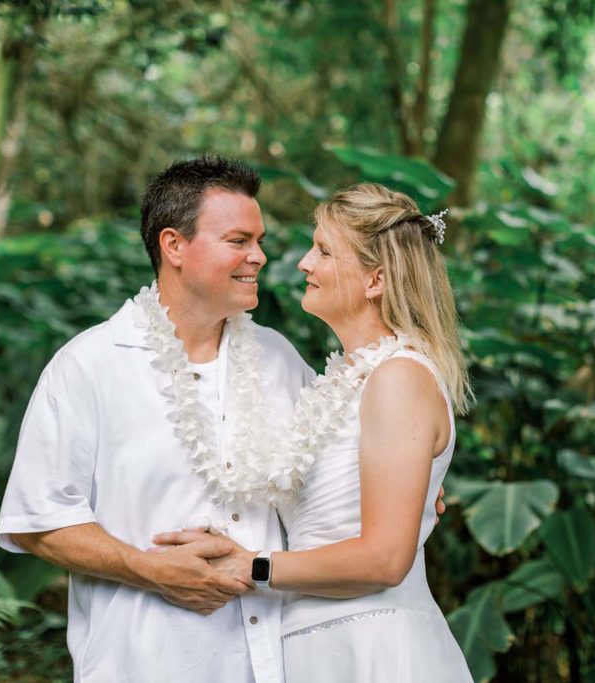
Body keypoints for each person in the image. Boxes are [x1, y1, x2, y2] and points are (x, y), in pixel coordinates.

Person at [0, 155, 316, 682]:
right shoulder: (89, 365)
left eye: (259, 241)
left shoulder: (279, 358)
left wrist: (410, 482)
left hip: (275, 659)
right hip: (146, 663)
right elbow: (39, 521)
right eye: (239, 241)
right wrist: (149, 570)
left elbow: (340, 466)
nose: (259, 257)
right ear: (174, 246)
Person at [154, 183, 474, 682]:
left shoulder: (397, 378)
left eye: (324, 250)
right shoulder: (348, 380)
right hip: (315, 645)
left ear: (376, 280)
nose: (304, 263)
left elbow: (387, 560)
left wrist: (254, 567)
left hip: (372, 647)